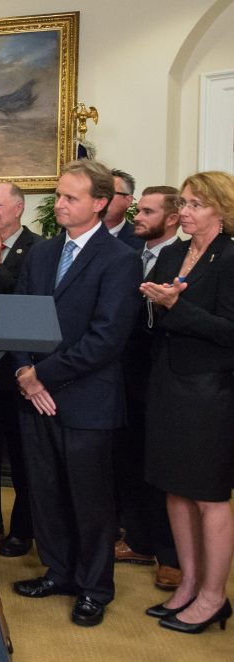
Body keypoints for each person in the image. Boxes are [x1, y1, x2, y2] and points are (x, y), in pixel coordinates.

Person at [12, 160, 142, 628]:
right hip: (36, 396)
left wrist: (40, 375)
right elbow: (20, 319)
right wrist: (24, 369)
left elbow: (107, 339)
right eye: (60, 195)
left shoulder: (120, 259)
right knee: (45, 492)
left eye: (70, 197)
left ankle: (93, 587)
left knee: (90, 501)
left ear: (100, 203)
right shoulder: (44, 253)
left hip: (87, 400)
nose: (60, 204)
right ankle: (59, 571)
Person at [139, 171, 234, 634]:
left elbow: (229, 331)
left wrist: (178, 307)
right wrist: (155, 304)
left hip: (210, 391)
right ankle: (190, 583)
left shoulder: (231, 257)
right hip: (167, 383)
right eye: (185, 203)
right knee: (175, 490)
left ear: (221, 208)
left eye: (195, 204)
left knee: (209, 496)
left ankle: (215, 596)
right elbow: (156, 314)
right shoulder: (174, 252)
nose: (186, 212)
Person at [114, 186, 182, 590]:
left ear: (171, 219)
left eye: (149, 211)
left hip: (163, 379)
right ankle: (137, 538)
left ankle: (170, 555)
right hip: (123, 377)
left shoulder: (181, 258)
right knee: (129, 463)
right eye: (139, 209)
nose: (138, 216)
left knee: (162, 471)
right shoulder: (129, 253)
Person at [0, 183, 41, 557]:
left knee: (21, 459)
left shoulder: (37, 248)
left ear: (18, 208)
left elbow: (19, 305)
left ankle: (22, 529)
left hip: (18, 370)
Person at [103, 169, 144, 249]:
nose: (102, 198)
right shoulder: (78, 234)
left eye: (109, 193)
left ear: (128, 200)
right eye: (98, 193)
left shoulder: (142, 240)